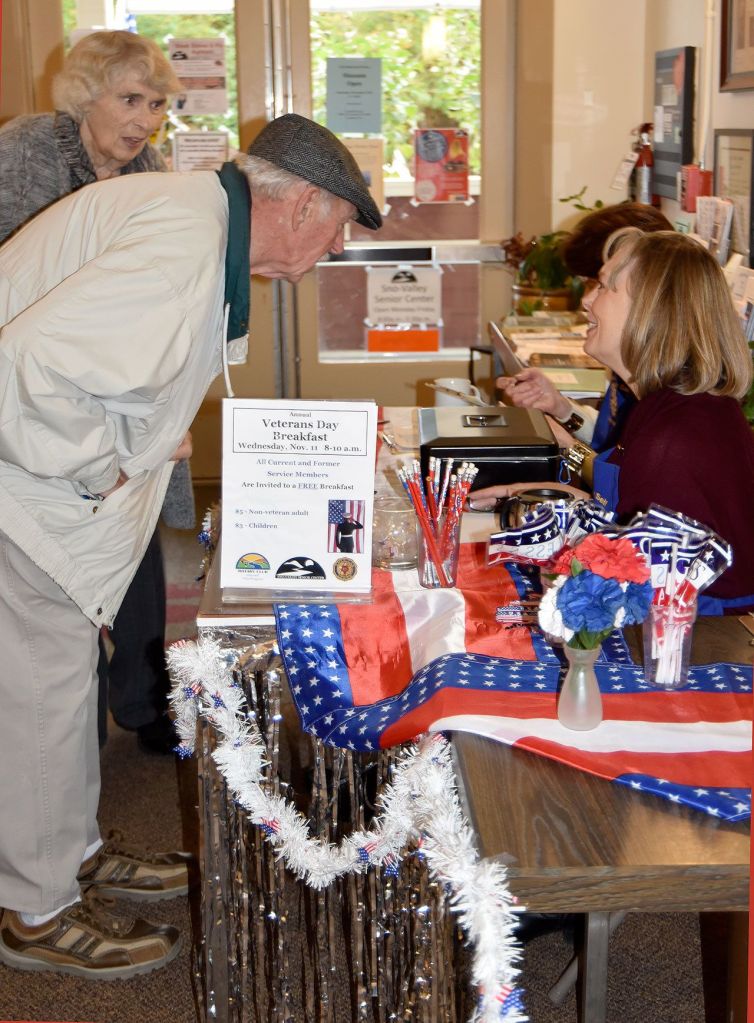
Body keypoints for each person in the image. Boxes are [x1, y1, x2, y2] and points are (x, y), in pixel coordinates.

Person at [0, 112, 381, 977]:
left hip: (46, 489)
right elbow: (18, 373)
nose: (336, 248)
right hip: (28, 494)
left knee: (58, 694)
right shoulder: (181, 245)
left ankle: (72, 853)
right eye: (340, 227)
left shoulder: (196, 221)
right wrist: (113, 462)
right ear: (302, 203)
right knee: (36, 697)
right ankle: (35, 905)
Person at [0, 30, 194, 755]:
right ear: (87, 94)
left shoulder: (151, 171)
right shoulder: (24, 150)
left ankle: (143, 702)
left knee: (137, 537)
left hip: (119, 386)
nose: (146, 118)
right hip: (38, 392)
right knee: (51, 559)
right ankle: (66, 712)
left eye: (158, 103)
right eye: (131, 99)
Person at [476, 228, 754, 613]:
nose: (587, 301)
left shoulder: (675, 438)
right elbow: (632, 513)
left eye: (605, 288)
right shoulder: (667, 408)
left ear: (653, 310)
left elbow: (650, 595)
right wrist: (568, 498)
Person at [496, 203, 672, 450]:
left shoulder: (668, 396)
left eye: (600, 285)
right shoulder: (636, 370)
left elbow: (619, 477)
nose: (586, 299)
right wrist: (561, 408)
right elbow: (608, 440)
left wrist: (571, 450)